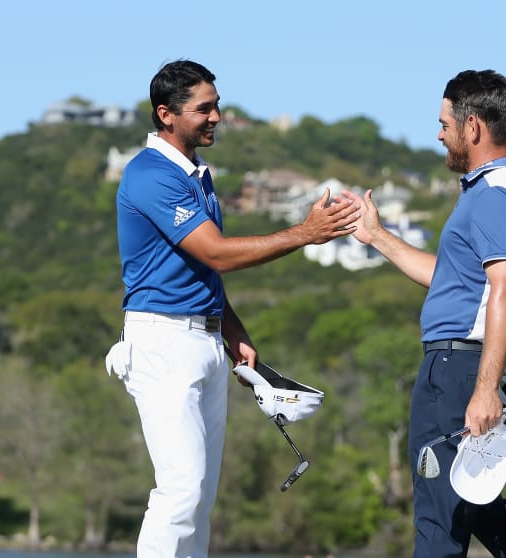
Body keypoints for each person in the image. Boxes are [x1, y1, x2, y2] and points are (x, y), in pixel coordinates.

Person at [107, 59, 358, 558]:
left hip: (202, 340)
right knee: (180, 489)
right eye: (205, 108)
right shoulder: (150, 174)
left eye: (217, 105)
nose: (217, 116)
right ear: (167, 114)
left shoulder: (197, 174)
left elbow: (201, 271)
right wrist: (306, 234)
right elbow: (217, 252)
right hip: (162, 343)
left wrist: (232, 327)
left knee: (200, 497)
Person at [343, 70, 506, 557]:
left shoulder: (495, 194)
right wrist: (376, 238)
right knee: (477, 507)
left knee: (440, 514)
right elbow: (454, 278)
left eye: (444, 123)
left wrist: (484, 388)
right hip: (473, 367)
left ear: (472, 126)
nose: (439, 133)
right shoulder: (495, 190)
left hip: (464, 369)